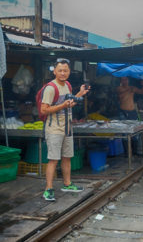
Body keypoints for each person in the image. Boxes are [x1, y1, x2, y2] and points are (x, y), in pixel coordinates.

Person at [41, 58, 90, 201]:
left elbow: (70, 103)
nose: (63, 73)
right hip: (54, 128)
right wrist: (62, 105)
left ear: (69, 72)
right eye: (60, 70)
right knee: (53, 159)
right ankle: (48, 189)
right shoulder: (51, 88)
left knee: (67, 157)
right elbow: (44, 110)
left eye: (65, 70)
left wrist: (80, 93)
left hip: (67, 127)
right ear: (54, 71)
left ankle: (67, 183)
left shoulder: (67, 85)